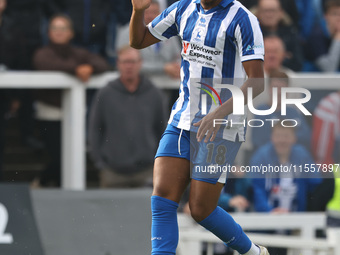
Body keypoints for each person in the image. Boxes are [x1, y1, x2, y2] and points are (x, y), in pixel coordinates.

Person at [130, 0, 268, 255]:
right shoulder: (183, 8)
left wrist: (219, 112)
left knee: (201, 209)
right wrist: (138, 12)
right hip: (182, 120)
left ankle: (254, 253)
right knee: (162, 198)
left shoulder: (243, 19)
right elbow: (139, 42)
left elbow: (257, 82)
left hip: (224, 126)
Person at [32, 14, 108, 187]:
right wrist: (76, 69)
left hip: (74, 114)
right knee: (58, 157)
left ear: (71, 33)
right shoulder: (43, 53)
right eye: (54, 29)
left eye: (63, 28)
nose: (59, 32)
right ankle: (42, 184)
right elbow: (45, 64)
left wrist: (89, 67)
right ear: (49, 33)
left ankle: (47, 185)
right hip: (49, 114)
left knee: (72, 155)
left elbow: (101, 63)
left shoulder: (78, 53)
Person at [89, 46, 166, 188]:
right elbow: (95, 129)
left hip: (147, 171)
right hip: (112, 172)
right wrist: (100, 163)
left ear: (140, 63)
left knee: (148, 210)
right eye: (125, 62)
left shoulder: (155, 94)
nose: (128, 66)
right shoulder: (105, 94)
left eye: (132, 62)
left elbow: (162, 131)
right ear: (118, 64)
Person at [251, 122, 321, 213]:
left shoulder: (302, 155)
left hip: (297, 220)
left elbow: (316, 182)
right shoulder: (261, 157)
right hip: (267, 219)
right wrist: (269, 211)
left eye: (286, 136)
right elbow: (256, 189)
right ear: (272, 137)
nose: (282, 140)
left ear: (294, 138)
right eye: (278, 136)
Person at [116, 0, 181, 79]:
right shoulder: (127, 32)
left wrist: (176, 67)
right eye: (147, 12)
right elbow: (126, 64)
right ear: (140, 13)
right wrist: (163, 68)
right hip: (138, 85)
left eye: (154, 12)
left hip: (168, 86)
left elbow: (178, 56)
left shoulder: (168, 30)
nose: (150, 16)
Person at [251, 70, 311, 151]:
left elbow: (306, 136)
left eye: (282, 89)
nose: (279, 92)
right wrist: (287, 138)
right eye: (275, 88)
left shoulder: (293, 112)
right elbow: (258, 141)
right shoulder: (260, 112)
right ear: (269, 89)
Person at [255, 0, 303, 71]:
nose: (269, 15)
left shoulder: (291, 34)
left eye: (272, 11)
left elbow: (298, 63)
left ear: (281, 12)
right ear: (258, 13)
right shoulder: (251, 35)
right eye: (265, 11)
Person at [305, 0, 340, 72]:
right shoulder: (316, 35)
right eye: (335, 14)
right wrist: (337, 39)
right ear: (326, 16)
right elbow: (329, 69)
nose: (338, 18)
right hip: (314, 79)